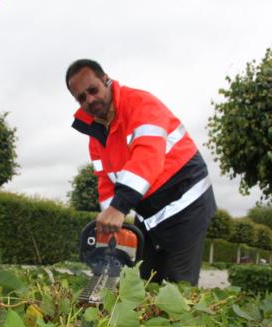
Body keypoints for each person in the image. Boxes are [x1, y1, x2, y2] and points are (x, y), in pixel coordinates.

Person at [66, 59, 217, 286]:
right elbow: (105, 181)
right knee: (143, 282)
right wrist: (110, 226)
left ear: (105, 79)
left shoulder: (140, 104)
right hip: (151, 215)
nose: (89, 99)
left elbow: (148, 156)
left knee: (178, 288)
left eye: (92, 90)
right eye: (81, 97)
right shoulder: (96, 134)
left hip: (187, 203)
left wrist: (119, 208)